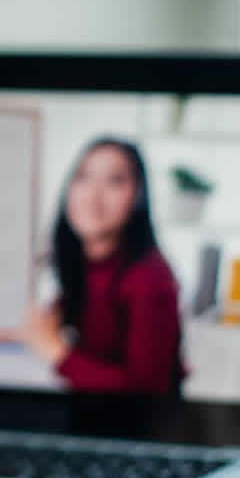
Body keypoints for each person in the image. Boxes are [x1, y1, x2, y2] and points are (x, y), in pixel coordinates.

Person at [21, 138, 185, 394]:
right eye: (83, 177)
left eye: (114, 181)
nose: (93, 196)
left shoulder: (150, 278)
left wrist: (57, 352)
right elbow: (46, 323)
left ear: (137, 198)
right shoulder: (84, 260)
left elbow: (144, 395)